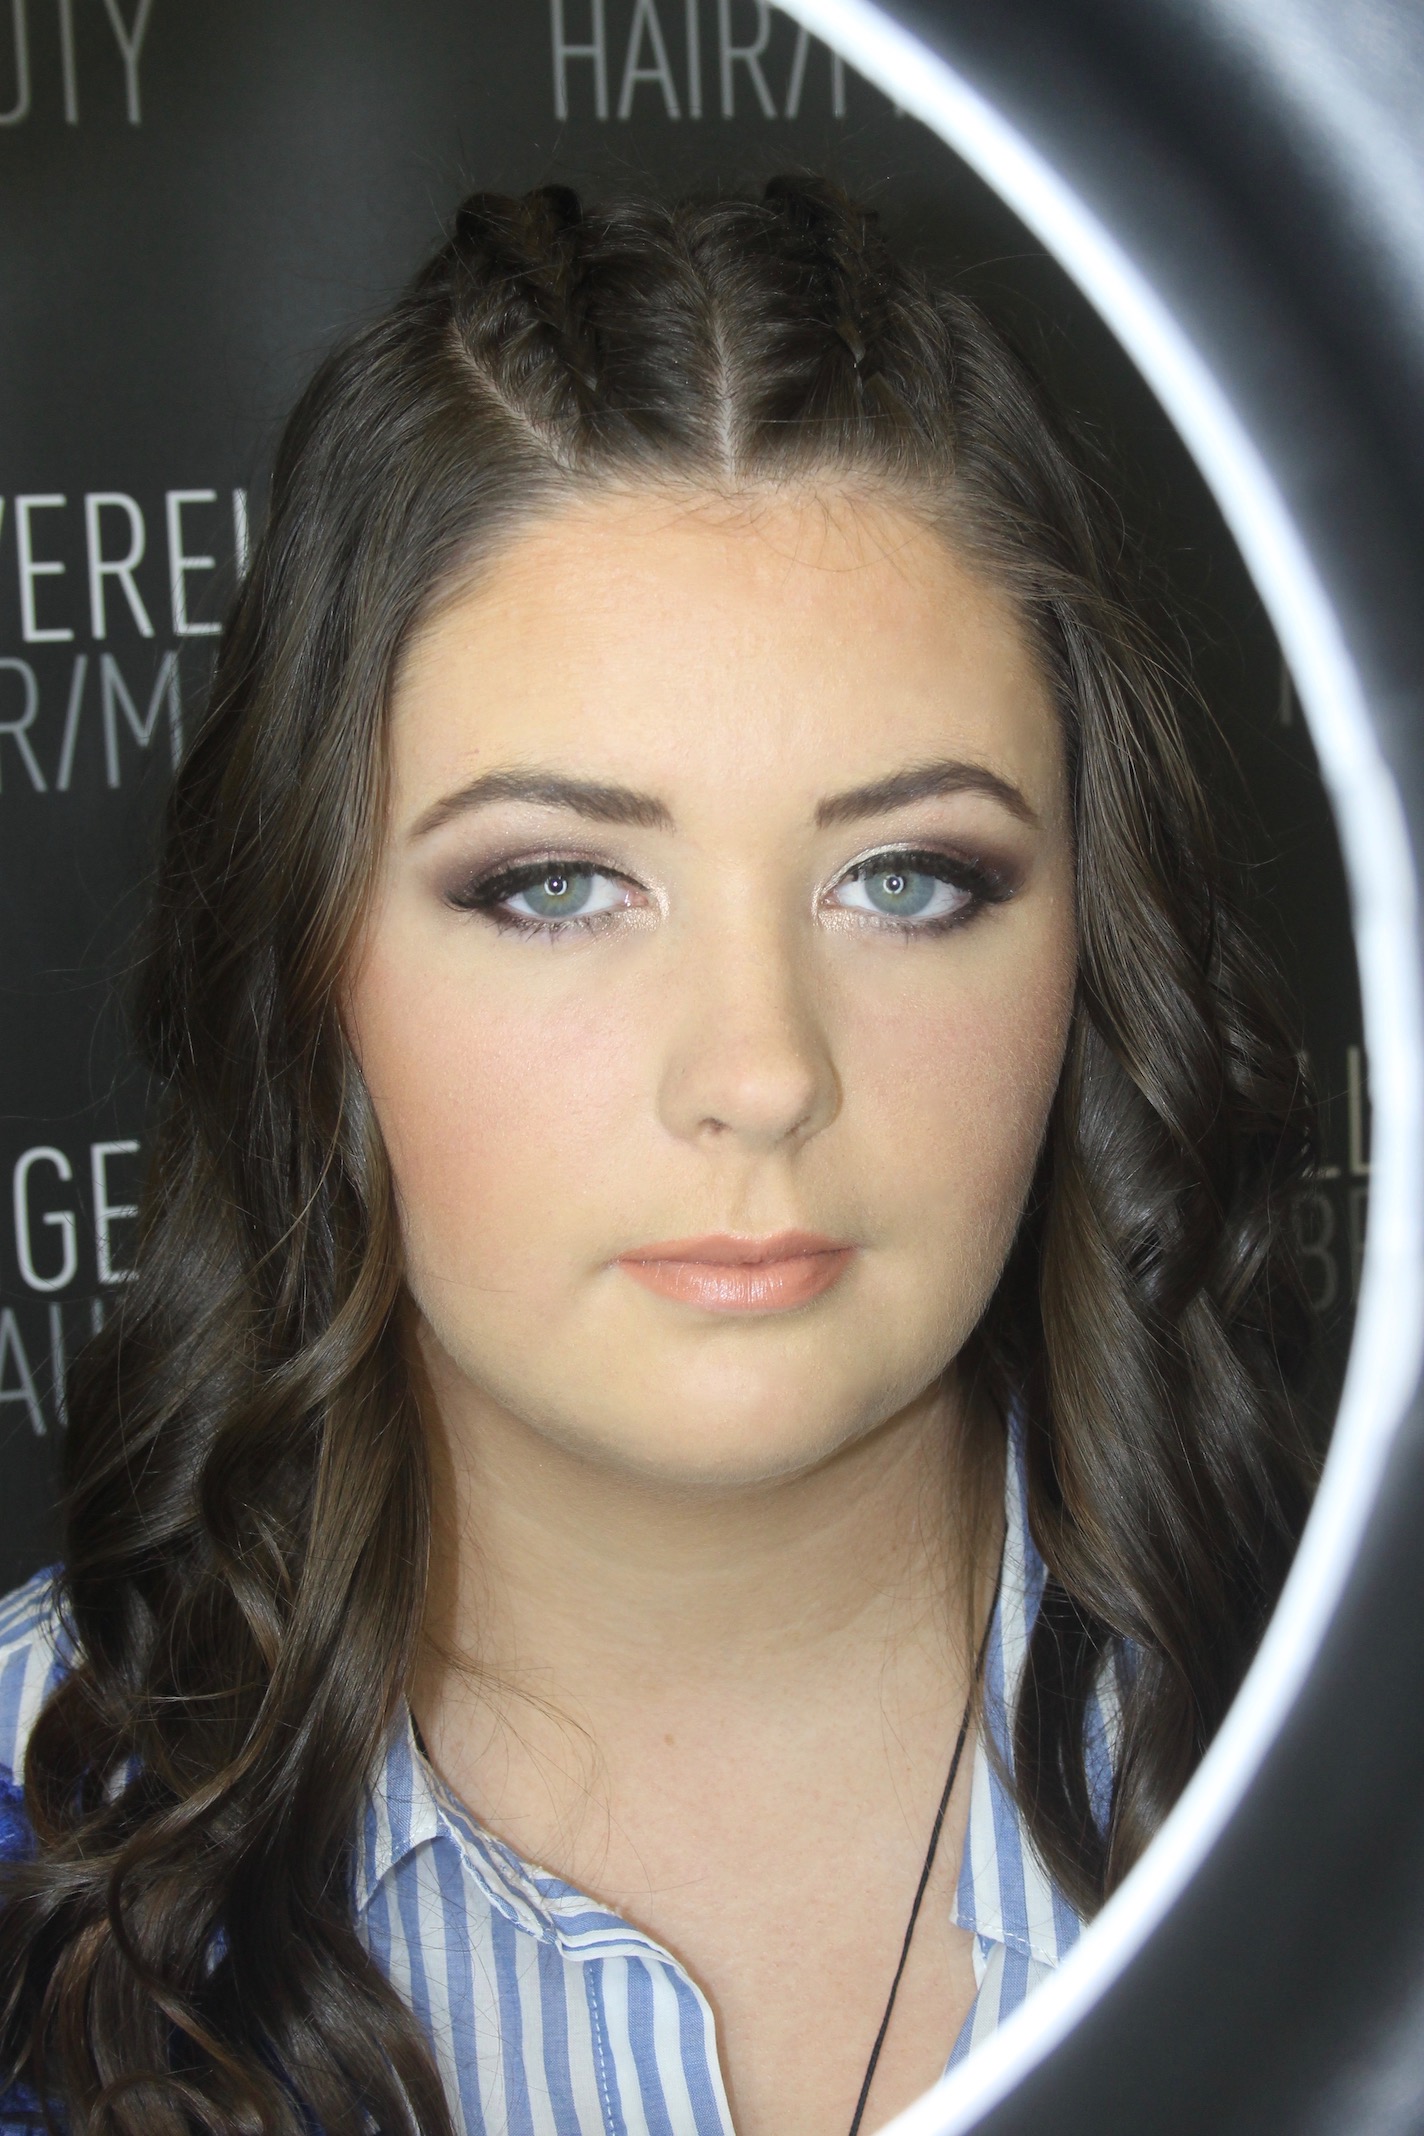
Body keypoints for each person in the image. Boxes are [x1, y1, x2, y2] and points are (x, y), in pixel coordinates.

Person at [0, 179, 1316, 2136]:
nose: (759, 1074)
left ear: (1089, 947)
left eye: (904, 878)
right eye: (555, 886)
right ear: (305, 963)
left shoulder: (1359, 1763)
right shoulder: (39, 1845)